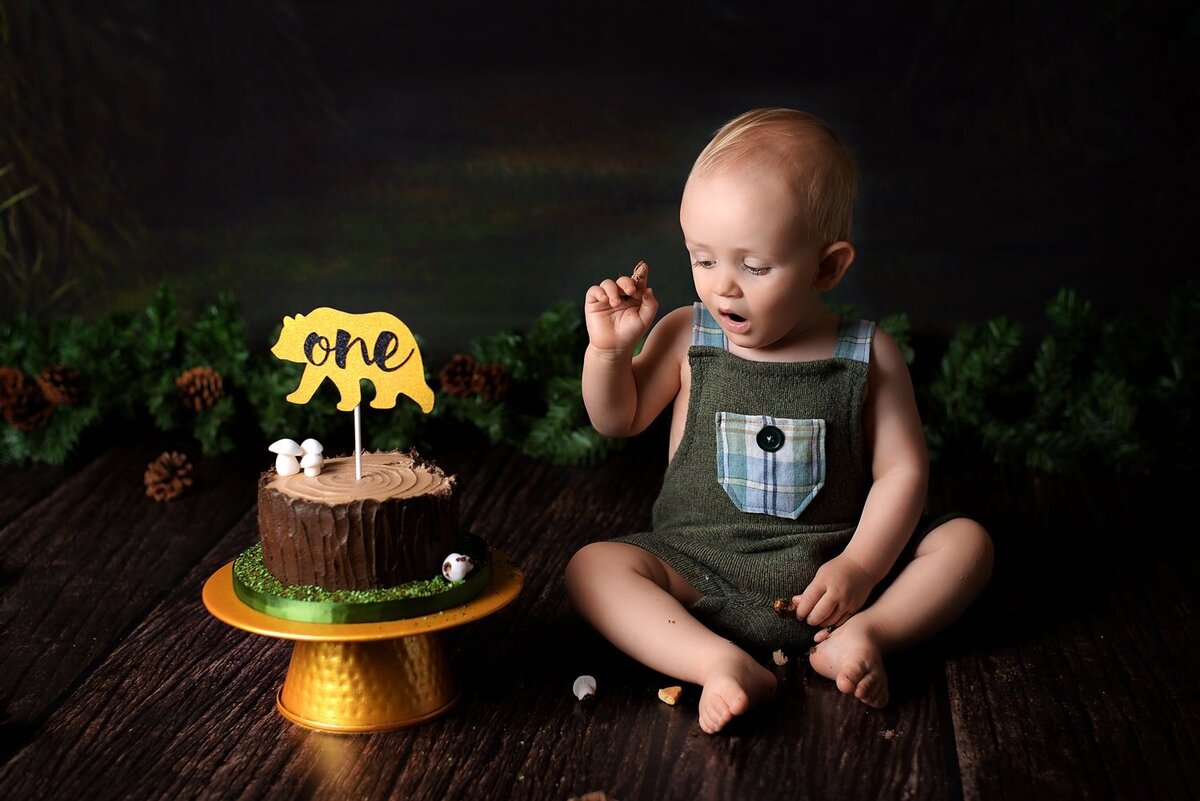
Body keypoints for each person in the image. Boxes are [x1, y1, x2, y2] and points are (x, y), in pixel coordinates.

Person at [565, 108, 994, 734]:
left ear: (827, 267)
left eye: (754, 267)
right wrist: (609, 352)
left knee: (967, 545)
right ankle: (715, 660)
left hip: (834, 571)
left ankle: (864, 636)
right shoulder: (689, 334)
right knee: (591, 567)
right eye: (702, 260)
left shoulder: (867, 354)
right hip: (698, 568)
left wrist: (862, 569)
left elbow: (902, 471)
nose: (723, 288)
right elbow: (618, 418)